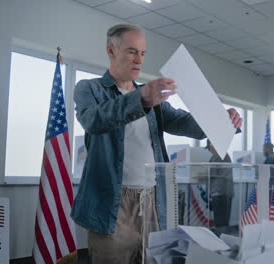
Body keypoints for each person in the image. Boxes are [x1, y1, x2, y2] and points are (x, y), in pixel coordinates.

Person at [70, 24, 242, 264]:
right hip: (113, 203)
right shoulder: (90, 89)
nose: (138, 59)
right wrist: (139, 99)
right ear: (111, 50)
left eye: (142, 53)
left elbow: (184, 122)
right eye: (132, 51)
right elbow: (94, 120)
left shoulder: (152, 98)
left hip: (151, 199)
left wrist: (221, 120)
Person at [206, 139, 234, 235]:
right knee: (225, 219)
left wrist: (201, 176)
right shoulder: (225, 155)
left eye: (209, 148)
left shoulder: (216, 156)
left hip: (218, 191)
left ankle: (220, 242)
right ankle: (225, 239)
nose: (209, 151)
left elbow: (212, 173)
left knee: (219, 219)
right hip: (227, 191)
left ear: (212, 145)